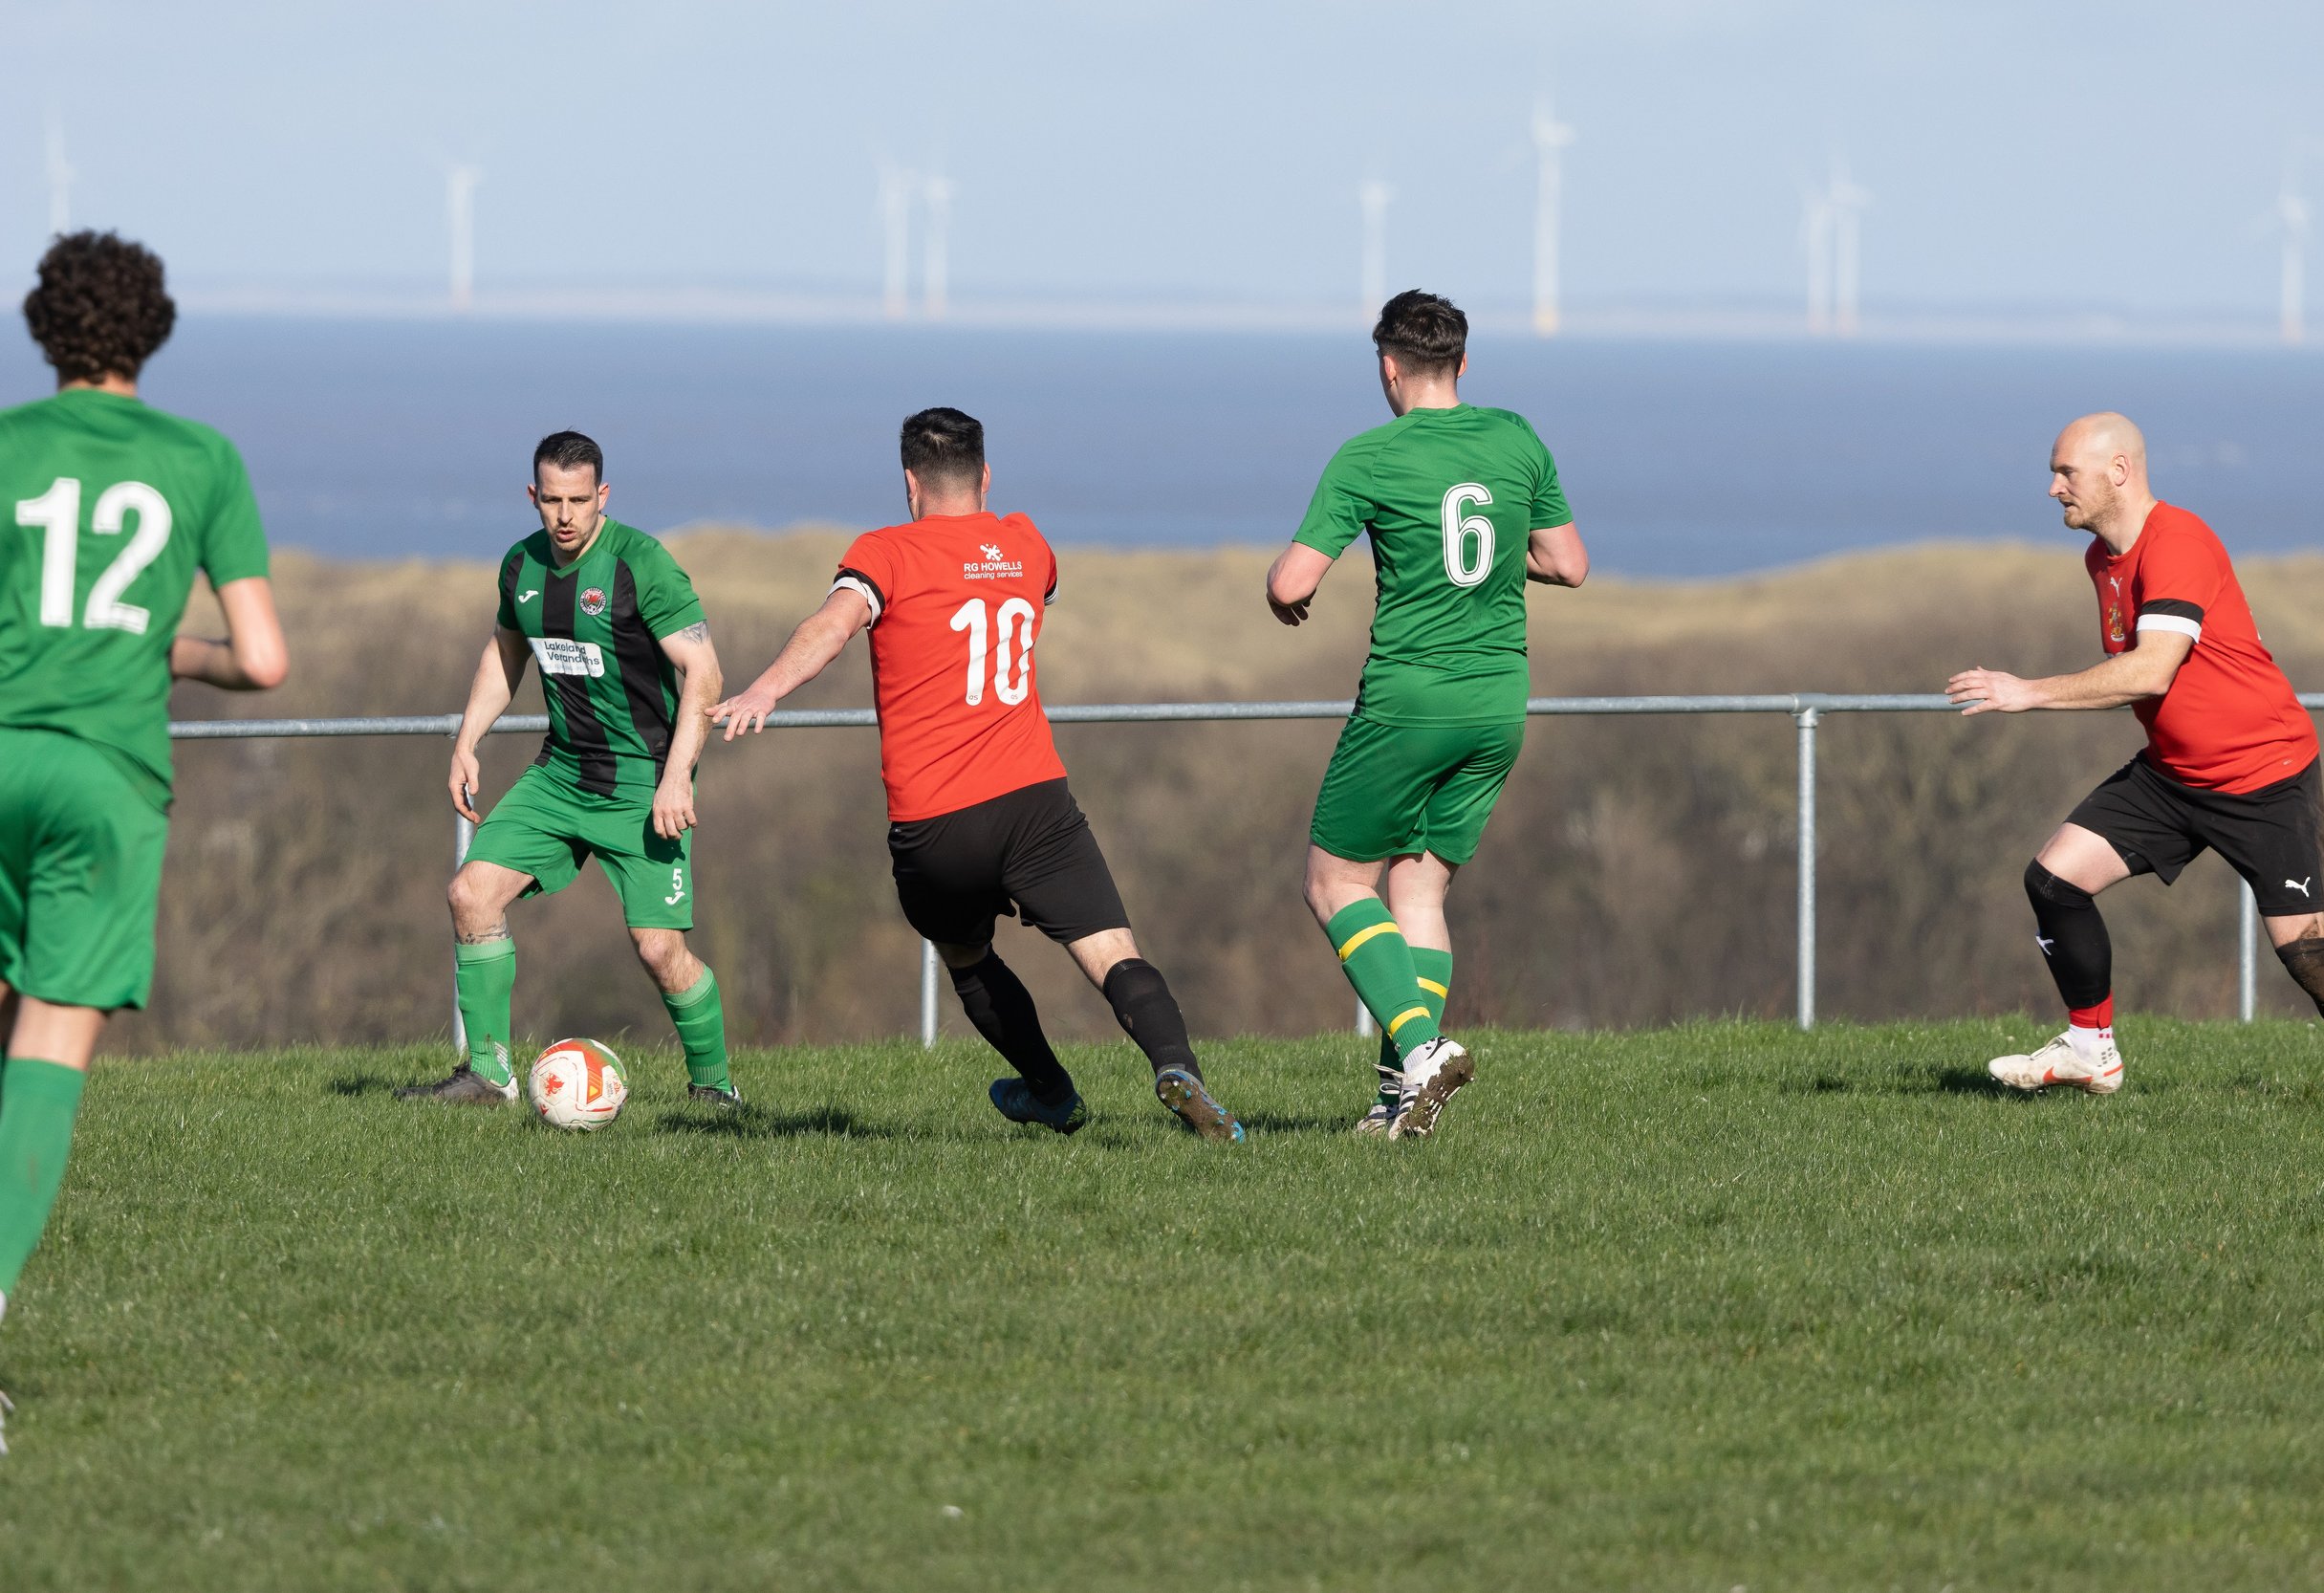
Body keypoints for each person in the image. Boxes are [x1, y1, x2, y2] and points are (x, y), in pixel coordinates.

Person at [711, 407, 1240, 1141]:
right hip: (1036, 802)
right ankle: (1178, 1069)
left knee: (966, 957)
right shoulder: (1027, 544)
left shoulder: (885, 552)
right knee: (1115, 952)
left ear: (908, 483)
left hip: (936, 821)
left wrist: (766, 688)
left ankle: (1052, 1092)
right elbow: (1023, 591)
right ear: (985, 476)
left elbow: (833, 624)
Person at [0, 232, 289, 1430]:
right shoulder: (200, 459)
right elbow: (265, 660)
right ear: (152, 333)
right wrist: (162, 650)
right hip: (105, 777)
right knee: (48, 1047)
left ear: (41, 327)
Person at [1949, 411, 2324, 1093]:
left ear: (2118, 471)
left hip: (2264, 777)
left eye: (2066, 472)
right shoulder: (2101, 559)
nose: (2053, 489)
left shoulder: (2179, 541)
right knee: (2054, 881)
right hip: (2174, 777)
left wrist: (2028, 692)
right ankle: (2092, 1050)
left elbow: (2152, 670)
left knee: (2312, 962)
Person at [1266, 290, 1587, 1139]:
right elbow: (1570, 563)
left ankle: (1421, 1052)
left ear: (1389, 367)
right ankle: (1397, 1102)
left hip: (1411, 699)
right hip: (1499, 702)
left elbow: (1291, 583)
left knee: (1335, 882)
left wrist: (1285, 595)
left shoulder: (1369, 457)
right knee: (1419, 884)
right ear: (1464, 365)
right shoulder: (1517, 438)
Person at [395, 432, 737, 1108]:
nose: (565, 516)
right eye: (551, 500)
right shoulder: (520, 567)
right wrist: (467, 739)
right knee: (470, 895)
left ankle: (714, 1089)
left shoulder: (641, 563)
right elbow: (505, 653)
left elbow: (706, 671)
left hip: (643, 781)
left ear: (602, 495)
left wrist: (676, 778)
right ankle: (489, 1076)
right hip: (560, 774)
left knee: (658, 952)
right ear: (533, 495)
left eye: (579, 500)